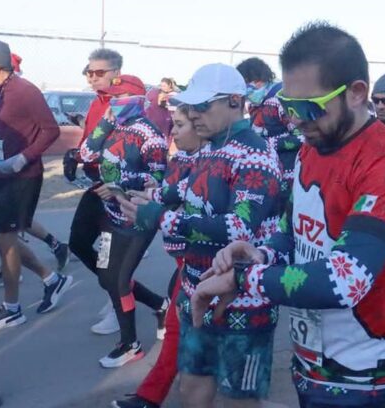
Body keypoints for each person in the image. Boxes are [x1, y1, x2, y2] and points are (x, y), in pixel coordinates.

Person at [190, 22, 385, 408]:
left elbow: (346, 280)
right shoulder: (312, 146)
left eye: (307, 107)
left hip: (362, 366)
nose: (294, 120)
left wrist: (245, 278)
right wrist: (260, 254)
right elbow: (292, 231)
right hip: (309, 354)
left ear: (356, 93)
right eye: (287, 106)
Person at [119, 63, 284, 407]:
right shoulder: (210, 146)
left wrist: (162, 218)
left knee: (238, 398)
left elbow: (239, 229)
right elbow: (182, 192)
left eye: (203, 106)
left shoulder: (256, 154)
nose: (193, 115)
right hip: (195, 292)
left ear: (236, 101)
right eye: (190, 107)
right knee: (192, 386)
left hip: (242, 298)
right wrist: (144, 196)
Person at [112, 105, 208, 408]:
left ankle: (151, 396)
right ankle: (155, 394)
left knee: (181, 326)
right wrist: (150, 196)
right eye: (174, 125)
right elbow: (167, 196)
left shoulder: (211, 163)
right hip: (185, 261)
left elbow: (188, 207)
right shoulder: (181, 159)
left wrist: (156, 208)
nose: (174, 132)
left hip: (204, 263)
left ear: (200, 126)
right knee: (181, 325)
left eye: (180, 125)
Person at [79, 74, 169, 367]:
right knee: (107, 277)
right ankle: (160, 306)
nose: (112, 104)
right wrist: (104, 123)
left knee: (119, 280)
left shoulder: (151, 135)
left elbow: (157, 179)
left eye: (117, 99)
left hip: (137, 218)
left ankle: (130, 344)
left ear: (135, 100)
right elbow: (87, 153)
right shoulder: (113, 127)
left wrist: (120, 184)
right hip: (111, 215)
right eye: (110, 99)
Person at [0, 38, 73, 332]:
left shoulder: (25, 91)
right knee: (2, 239)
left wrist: (23, 158)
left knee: (6, 239)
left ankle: (12, 309)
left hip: (21, 176)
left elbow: (51, 130)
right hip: (0, 174)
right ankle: (52, 279)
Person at [67, 48, 127, 335]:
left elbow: (132, 149)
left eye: (98, 72)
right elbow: (92, 141)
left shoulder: (127, 103)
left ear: (116, 73)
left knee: (109, 259)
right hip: (95, 186)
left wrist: (117, 185)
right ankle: (123, 297)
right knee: (78, 243)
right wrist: (75, 156)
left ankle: (120, 308)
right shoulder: (97, 102)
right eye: (88, 71)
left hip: (115, 191)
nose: (91, 77)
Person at [237, 56, 302, 198]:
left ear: (258, 81)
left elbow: (302, 137)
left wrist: (267, 144)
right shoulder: (256, 104)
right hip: (267, 171)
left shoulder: (281, 100)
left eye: (246, 85)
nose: (245, 92)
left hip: (288, 172)